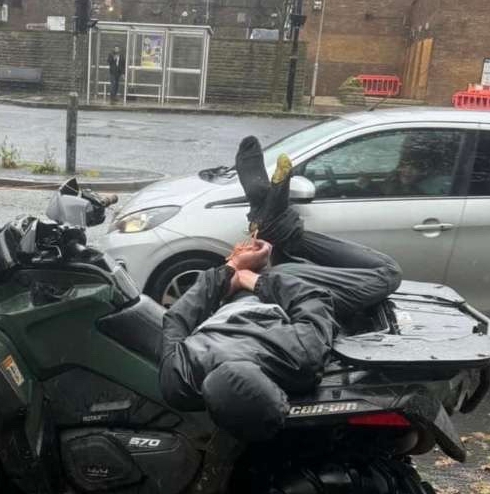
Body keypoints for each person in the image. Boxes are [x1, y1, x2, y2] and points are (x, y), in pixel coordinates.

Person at [159, 136, 402, 443]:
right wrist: (230, 271)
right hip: (235, 295)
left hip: (275, 289)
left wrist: (251, 277)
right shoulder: (179, 380)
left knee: (386, 273)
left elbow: (312, 299)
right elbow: (177, 317)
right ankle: (269, 222)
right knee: (285, 260)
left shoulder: (299, 360)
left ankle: (284, 231)